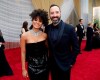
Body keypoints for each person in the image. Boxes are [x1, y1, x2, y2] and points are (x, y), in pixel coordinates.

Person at [45, 4, 79, 80]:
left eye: (57, 12)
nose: (54, 15)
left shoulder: (69, 28)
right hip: (52, 66)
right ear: (49, 15)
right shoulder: (47, 28)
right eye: (52, 13)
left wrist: (71, 62)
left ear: (60, 13)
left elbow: (76, 48)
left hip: (65, 65)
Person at [20, 9, 49, 80]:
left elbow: (47, 50)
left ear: (43, 23)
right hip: (32, 67)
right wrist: (23, 69)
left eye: (40, 21)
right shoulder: (24, 36)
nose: (37, 22)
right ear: (32, 20)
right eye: (35, 19)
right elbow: (23, 53)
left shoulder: (45, 35)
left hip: (45, 67)